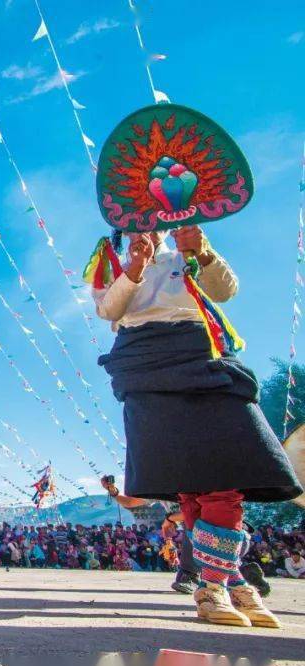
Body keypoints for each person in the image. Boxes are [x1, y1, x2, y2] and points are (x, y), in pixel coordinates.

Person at [93, 226, 301, 628]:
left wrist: (203, 254)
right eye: (138, 222)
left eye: (156, 222)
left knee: (224, 472)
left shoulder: (185, 255)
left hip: (201, 352)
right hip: (144, 363)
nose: (147, 230)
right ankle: (222, 585)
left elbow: (224, 292)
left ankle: (218, 583)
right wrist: (135, 266)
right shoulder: (112, 263)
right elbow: (109, 310)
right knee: (189, 482)